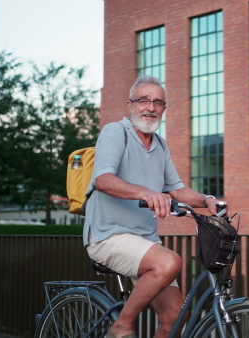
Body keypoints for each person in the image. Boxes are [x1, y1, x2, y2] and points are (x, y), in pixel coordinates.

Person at [82, 75, 220, 338]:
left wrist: (207, 200)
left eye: (158, 102)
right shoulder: (115, 131)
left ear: (164, 109)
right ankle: (121, 326)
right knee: (170, 262)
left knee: (176, 318)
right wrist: (146, 192)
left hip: (144, 241)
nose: (150, 107)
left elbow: (176, 189)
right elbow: (103, 180)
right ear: (130, 105)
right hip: (108, 235)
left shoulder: (160, 145)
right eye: (143, 100)